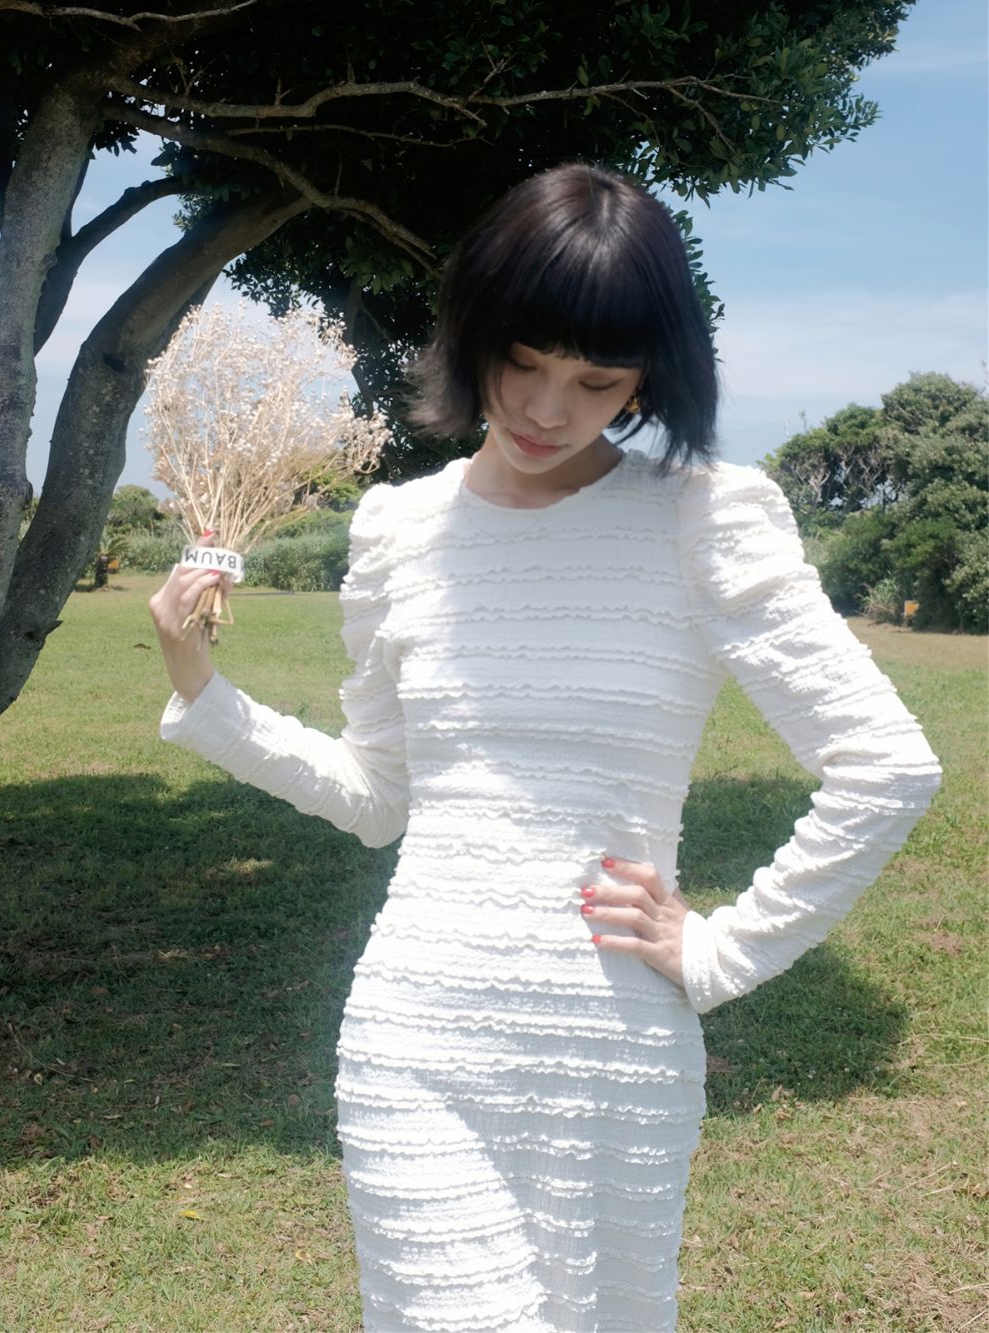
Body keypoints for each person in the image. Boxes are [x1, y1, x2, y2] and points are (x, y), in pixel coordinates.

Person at [149, 163, 942, 1333]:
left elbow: (886, 766)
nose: (546, 407)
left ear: (648, 376)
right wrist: (205, 693)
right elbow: (378, 795)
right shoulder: (397, 528)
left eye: (596, 380)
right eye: (522, 359)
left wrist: (723, 951)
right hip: (417, 1037)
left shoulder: (705, 517)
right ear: (474, 330)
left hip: (611, 1057)